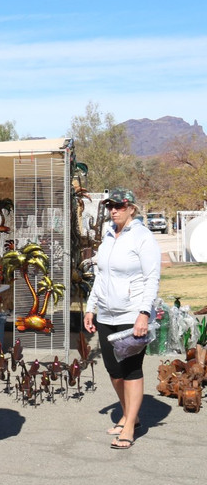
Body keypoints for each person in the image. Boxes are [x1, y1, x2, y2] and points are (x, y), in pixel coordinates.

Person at [83, 188, 161, 450]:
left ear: (131, 209)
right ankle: (131, 414)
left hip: (132, 314)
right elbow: (101, 276)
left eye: (118, 206)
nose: (113, 210)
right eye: (110, 206)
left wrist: (144, 313)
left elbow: (152, 279)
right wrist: (90, 307)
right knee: (113, 370)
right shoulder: (107, 236)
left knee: (131, 370)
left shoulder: (142, 237)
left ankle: (129, 427)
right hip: (106, 312)